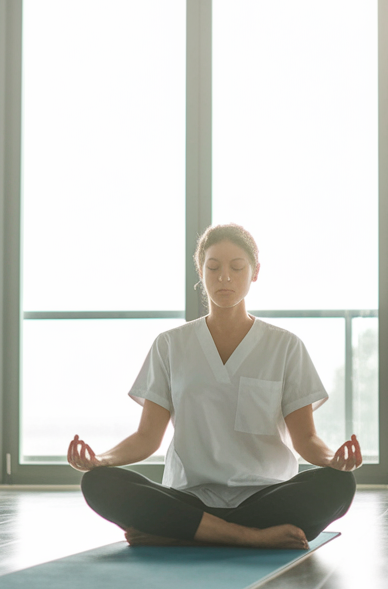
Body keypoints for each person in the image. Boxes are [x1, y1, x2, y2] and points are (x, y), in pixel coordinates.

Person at [67, 223, 361, 550]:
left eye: (237, 267)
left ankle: (180, 532)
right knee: (98, 483)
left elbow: (305, 439)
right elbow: (147, 438)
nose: (224, 277)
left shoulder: (286, 347)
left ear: (255, 273)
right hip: (188, 497)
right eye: (213, 267)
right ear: (200, 270)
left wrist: (334, 459)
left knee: (339, 484)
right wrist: (101, 459)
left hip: (263, 497)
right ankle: (248, 537)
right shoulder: (169, 345)